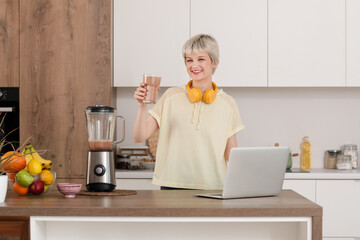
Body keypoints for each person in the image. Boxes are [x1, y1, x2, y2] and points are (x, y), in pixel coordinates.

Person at [133, 34, 245, 190]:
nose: (194, 65)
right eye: (189, 60)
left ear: (214, 62)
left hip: (214, 187)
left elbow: (231, 154)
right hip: (172, 184)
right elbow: (139, 137)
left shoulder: (228, 103)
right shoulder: (171, 96)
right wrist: (141, 106)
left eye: (201, 59)